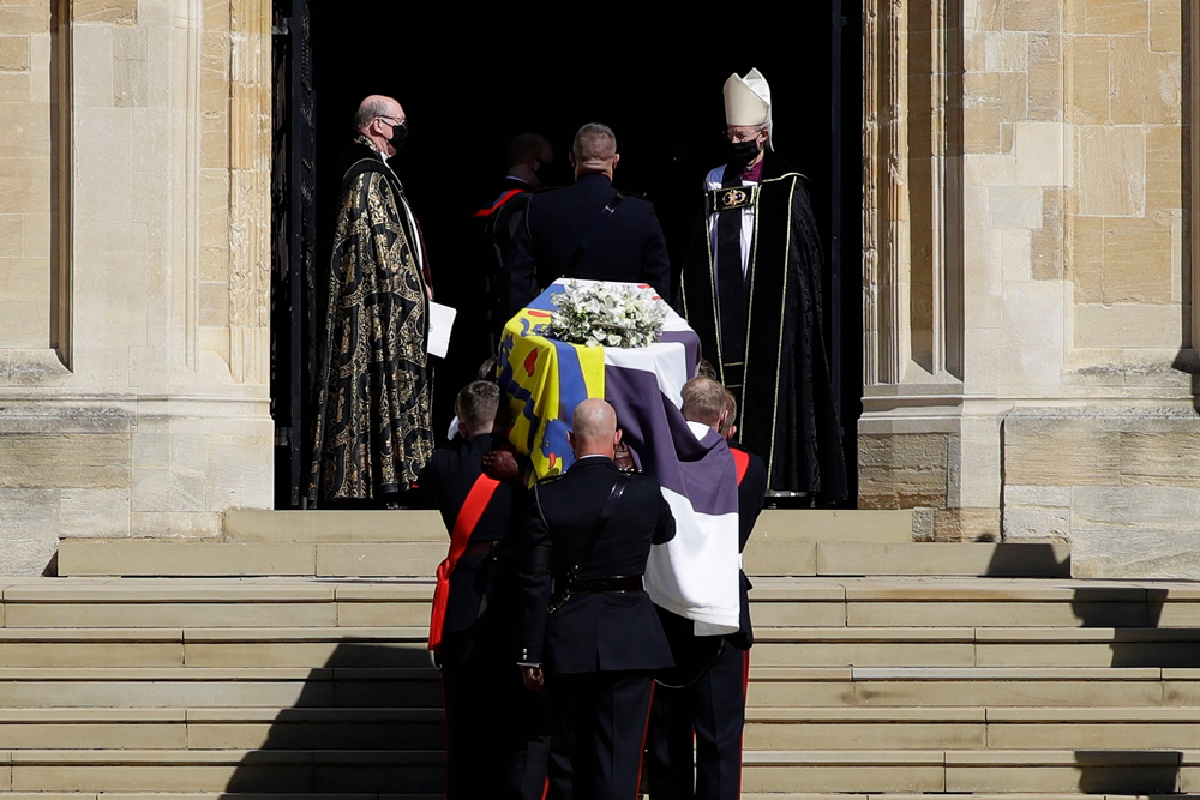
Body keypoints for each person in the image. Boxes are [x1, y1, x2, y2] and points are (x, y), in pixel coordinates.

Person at [678, 69, 847, 500]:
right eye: (729, 136)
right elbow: (697, 249)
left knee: (770, 388)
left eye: (743, 136)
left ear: (764, 134)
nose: (735, 143)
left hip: (769, 311)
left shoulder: (787, 185)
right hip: (720, 307)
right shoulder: (713, 181)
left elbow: (802, 260)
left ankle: (775, 481)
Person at [518, 398, 676, 800]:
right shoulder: (643, 490)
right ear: (617, 438)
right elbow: (666, 532)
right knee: (618, 760)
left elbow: (534, 582)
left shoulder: (545, 496)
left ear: (570, 440)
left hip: (567, 636)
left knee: (567, 756)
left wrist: (529, 653)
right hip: (631, 638)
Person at [419, 381, 548, 799]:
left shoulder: (442, 465)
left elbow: (436, 469)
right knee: (518, 721)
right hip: (516, 598)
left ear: (461, 418)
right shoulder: (527, 467)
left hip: (465, 602)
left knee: (464, 724)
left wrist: (463, 432)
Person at [309, 95, 434, 504]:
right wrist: (413, 292)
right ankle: (378, 483)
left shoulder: (381, 171)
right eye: (399, 121)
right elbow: (377, 246)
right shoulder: (365, 173)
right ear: (377, 125)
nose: (404, 128)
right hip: (376, 308)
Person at [647, 379, 767, 800]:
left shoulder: (657, 462)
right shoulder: (749, 466)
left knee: (665, 739)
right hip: (721, 611)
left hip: (665, 607)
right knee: (719, 742)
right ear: (723, 419)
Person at [510, 123, 671, 313]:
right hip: (623, 334)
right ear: (616, 161)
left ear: (572, 159)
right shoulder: (641, 212)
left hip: (551, 332)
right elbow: (658, 286)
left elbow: (517, 280)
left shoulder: (539, 205)